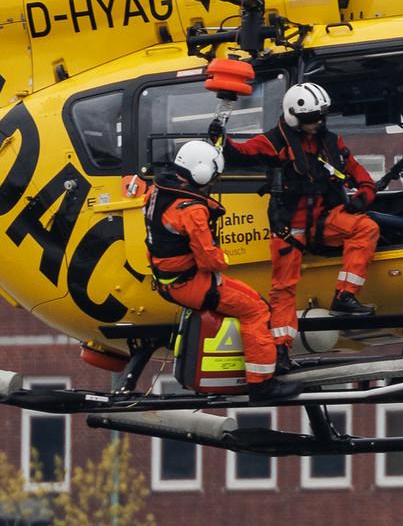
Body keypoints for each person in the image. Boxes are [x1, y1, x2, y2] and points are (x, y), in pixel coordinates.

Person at [219, 82, 379, 345]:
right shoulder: (273, 142)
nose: (318, 123)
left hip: (322, 220)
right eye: (312, 118)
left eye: (321, 117)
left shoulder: (330, 142)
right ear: (295, 117)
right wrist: (220, 139)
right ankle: (281, 348)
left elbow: (356, 169)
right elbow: (241, 153)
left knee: (366, 227)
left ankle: (344, 296)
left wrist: (365, 193)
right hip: (289, 228)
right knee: (283, 289)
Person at [144, 139, 285, 393]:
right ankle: (261, 384)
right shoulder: (191, 210)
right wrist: (224, 258)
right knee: (256, 310)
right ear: (201, 172)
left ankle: (268, 364)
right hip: (190, 283)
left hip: (170, 280)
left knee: (255, 301)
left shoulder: (157, 193)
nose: (211, 184)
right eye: (212, 178)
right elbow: (209, 259)